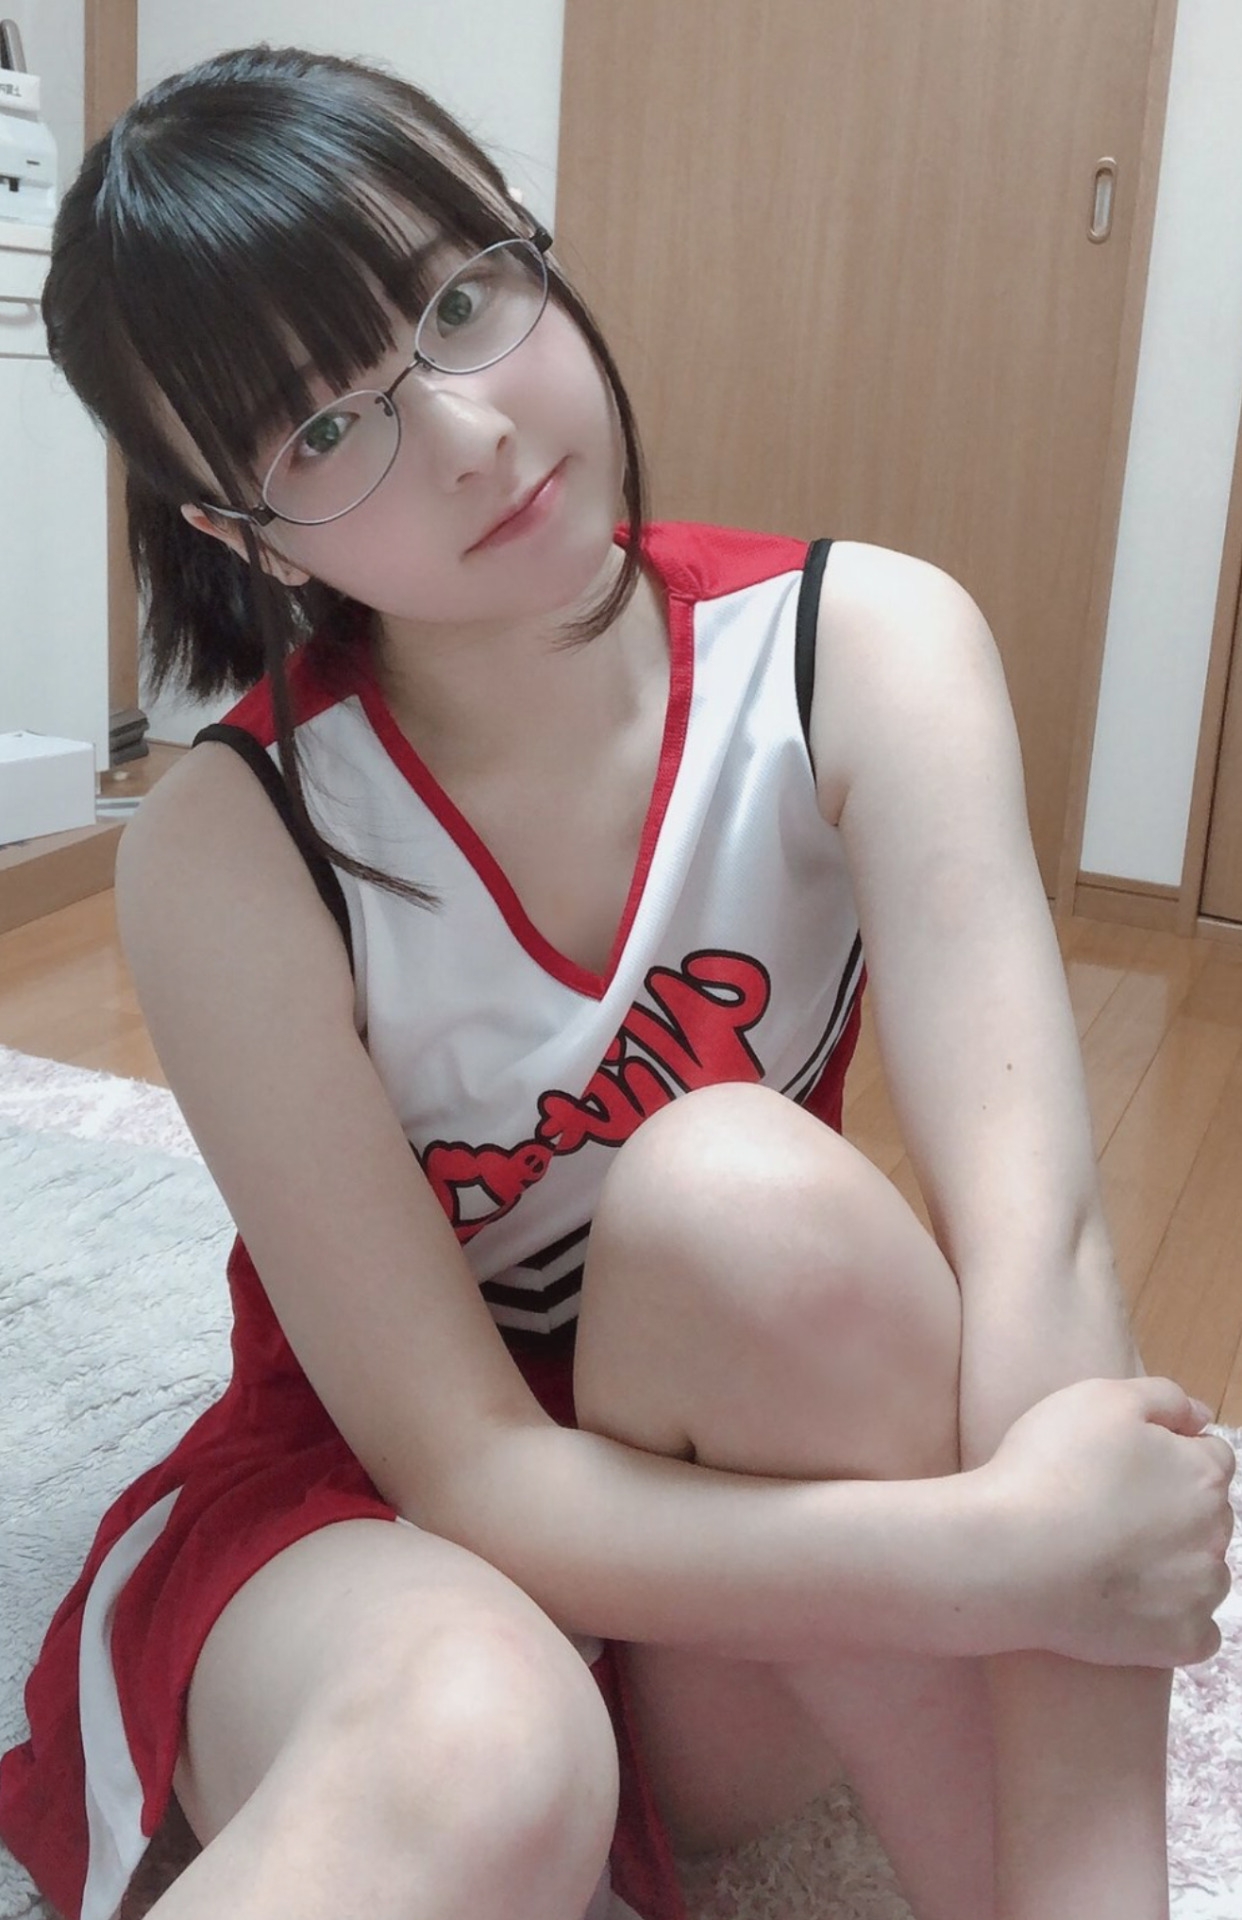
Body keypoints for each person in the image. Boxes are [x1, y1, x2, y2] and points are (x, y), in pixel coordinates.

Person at [0, 41, 1233, 1920]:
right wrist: (1003, 1552)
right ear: (234, 536)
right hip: (381, 1513)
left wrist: (1068, 1551)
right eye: (320, 433)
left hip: (729, 1546)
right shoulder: (235, 846)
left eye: (458, 302)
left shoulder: (862, 649)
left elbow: (1040, 1262)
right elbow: (466, 1465)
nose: (468, 434)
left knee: (752, 1202)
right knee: (486, 1747)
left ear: (529, 246)